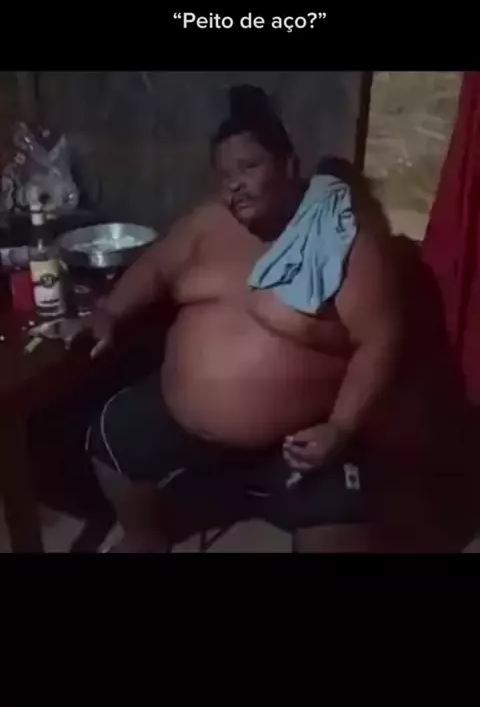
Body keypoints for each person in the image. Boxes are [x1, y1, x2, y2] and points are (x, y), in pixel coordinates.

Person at [84, 85, 402, 552]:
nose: (233, 185)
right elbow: (155, 266)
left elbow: (380, 339)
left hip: (298, 439)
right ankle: (145, 536)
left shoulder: (341, 240)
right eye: (223, 176)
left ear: (289, 166)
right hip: (182, 418)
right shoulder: (207, 224)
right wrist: (111, 310)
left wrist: (340, 427)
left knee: (339, 535)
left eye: (249, 167)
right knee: (111, 435)